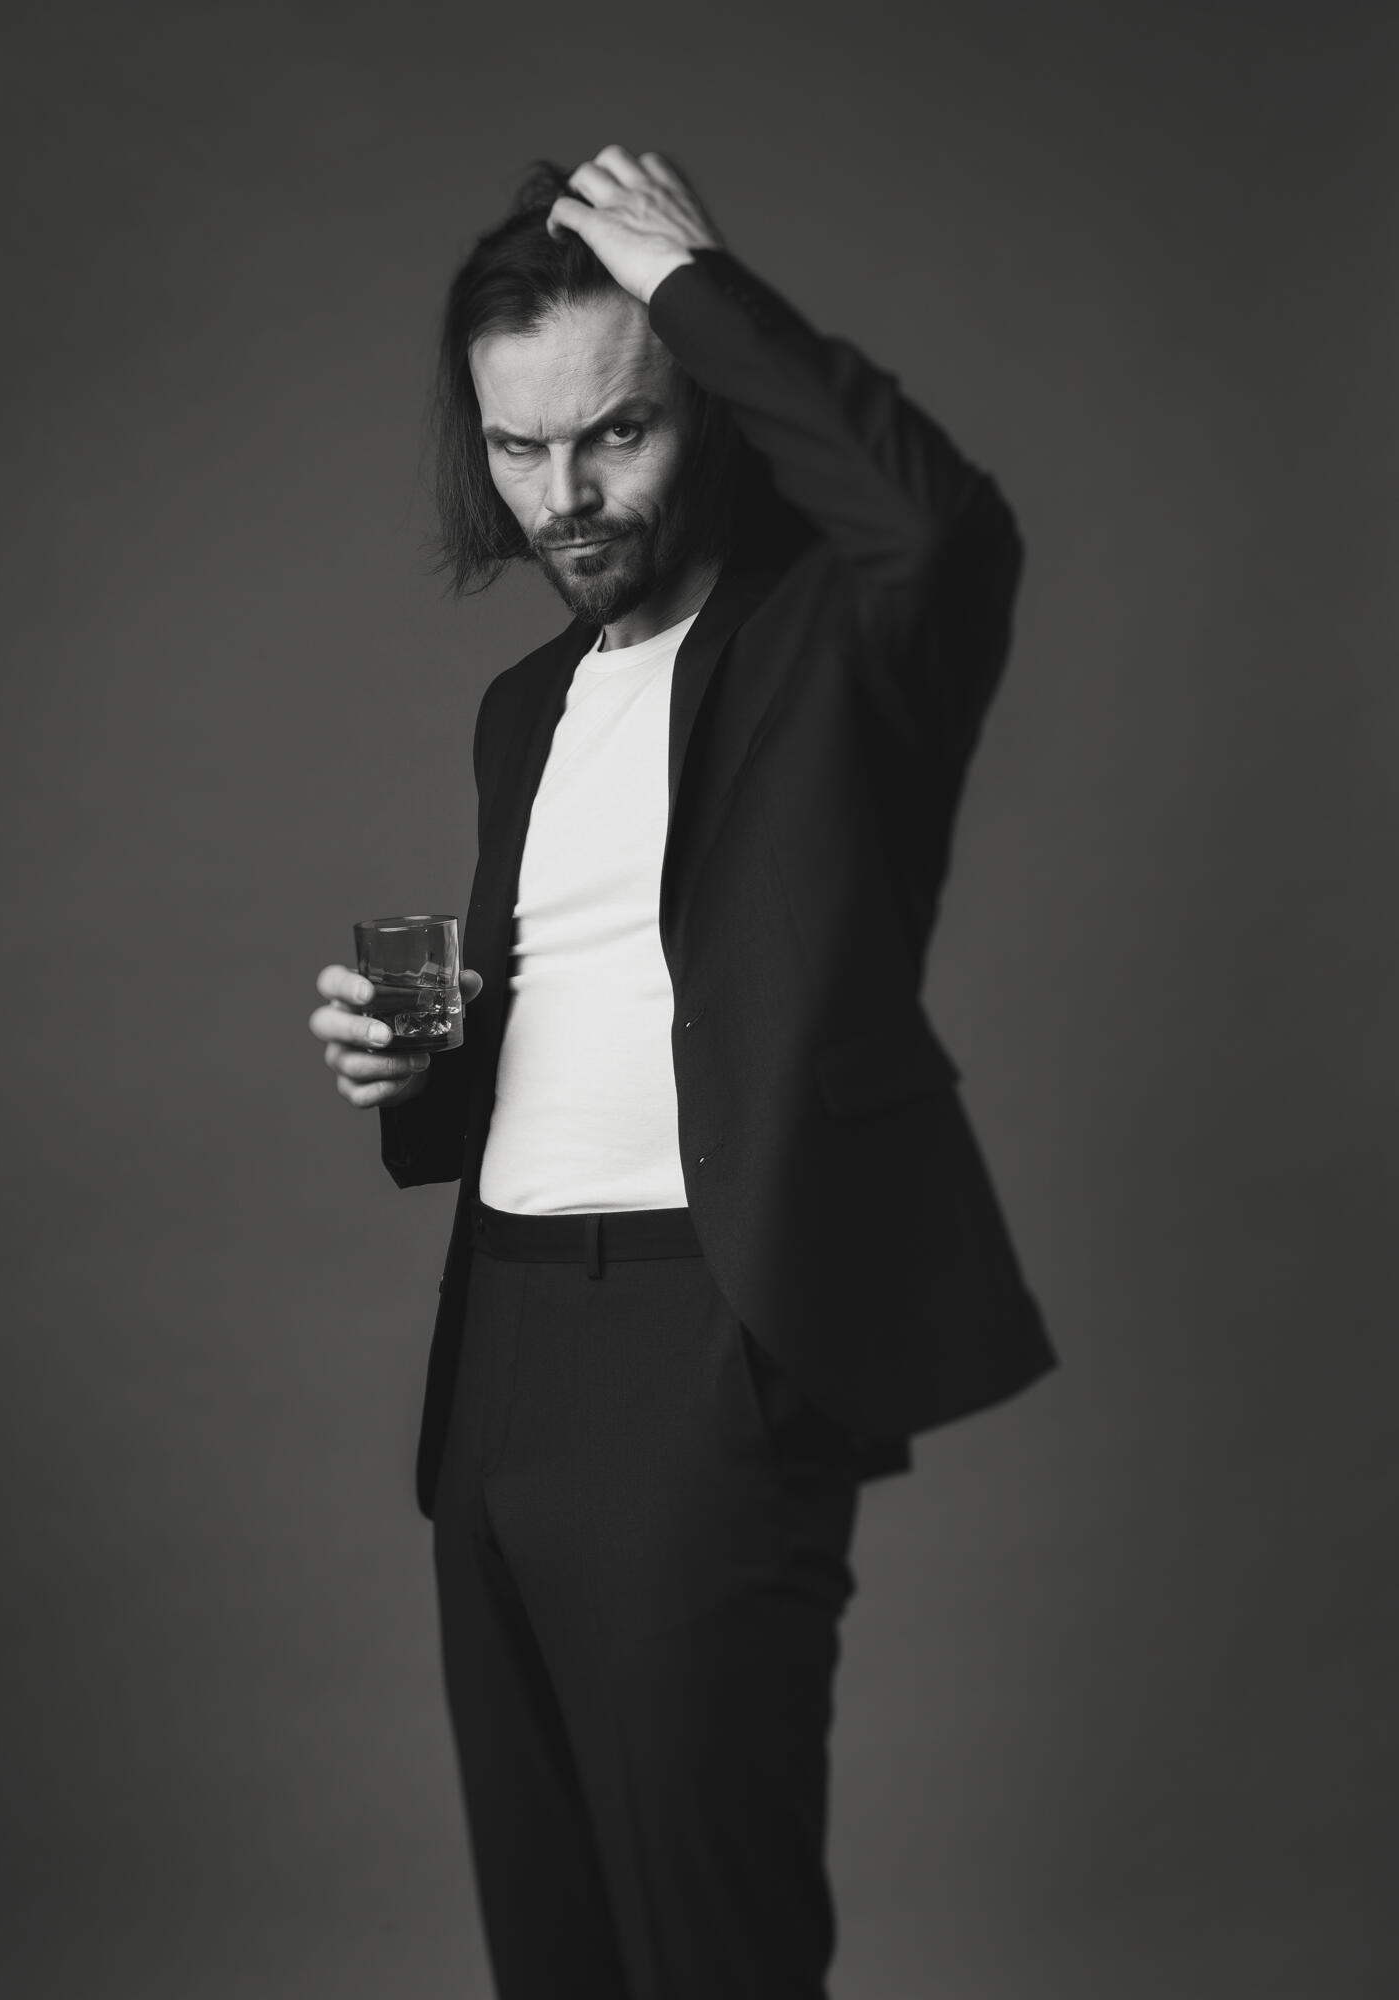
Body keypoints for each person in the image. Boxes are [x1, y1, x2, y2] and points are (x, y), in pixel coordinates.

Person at [308, 144, 1056, 2000]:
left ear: (703, 400)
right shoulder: (526, 709)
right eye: (517, 448)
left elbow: (944, 528)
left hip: (708, 1346)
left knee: (712, 1953)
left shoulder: (834, 635)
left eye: (617, 433)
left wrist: (692, 281)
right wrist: (413, 1064)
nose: (563, 497)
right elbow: (591, 1016)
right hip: (498, 1362)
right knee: (553, 1948)